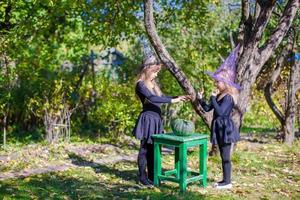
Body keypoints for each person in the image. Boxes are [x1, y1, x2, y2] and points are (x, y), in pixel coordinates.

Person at [132, 55, 189, 186]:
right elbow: (152, 98)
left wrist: (177, 97)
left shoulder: (153, 84)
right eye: (155, 72)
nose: (156, 75)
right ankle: (142, 177)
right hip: (148, 120)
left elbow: (162, 97)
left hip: (156, 120)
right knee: (145, 149)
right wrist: (172, 100)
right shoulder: (140, 85)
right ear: (147, 70)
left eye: (157, 72)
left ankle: (153, 177)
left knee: (153, 149)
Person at [198, 44, 241, 189]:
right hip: (219, 127)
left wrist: (213, 99)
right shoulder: (219, 95)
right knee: (223, 156)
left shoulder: (229, 96)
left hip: (225, 128)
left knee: (226, 156)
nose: (215, 83)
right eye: (216, 80)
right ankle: (225, 180)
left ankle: (227, 182)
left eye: (218, 81)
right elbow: (208, 108)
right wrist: (201, 99)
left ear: (226, 82)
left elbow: (222, 112)